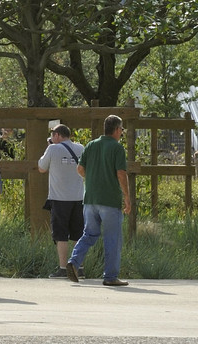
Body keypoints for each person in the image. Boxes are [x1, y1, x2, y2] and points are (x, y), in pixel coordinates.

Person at [66, 114, 131, 286]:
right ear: (116, 129)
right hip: (109, 199)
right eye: (121, 129)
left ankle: (74, 262)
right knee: (112, 238)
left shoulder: (91, 145)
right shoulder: (117, 148)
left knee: (89, 234)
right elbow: (121, 173)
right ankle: (110, 276)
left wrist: (93, 179)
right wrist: (127, 197)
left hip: (90, 199)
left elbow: (80, 169)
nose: (122, 132)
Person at [38, 124, 86, 275]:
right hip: (78, 197)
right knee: (78, 234)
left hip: (59, 198)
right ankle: (79, 267)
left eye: (53, 135)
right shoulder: (81, 148)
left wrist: (49, 147)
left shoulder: (52, 149)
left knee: (61, 235)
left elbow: (41, 168)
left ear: (57, 135)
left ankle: (63, 268)